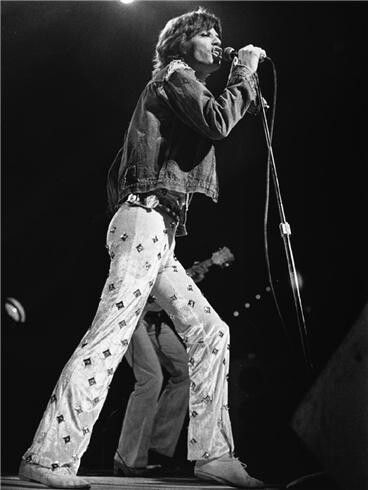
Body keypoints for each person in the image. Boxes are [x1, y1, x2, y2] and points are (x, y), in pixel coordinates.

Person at [19, 7, 267, 489]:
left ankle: (214, 452)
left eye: (219, 33)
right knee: (110, 335)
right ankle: (48, 457)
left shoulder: (181, 87)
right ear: (180, 43)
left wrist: (244, 86)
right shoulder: (174, 75)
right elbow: (217, 121)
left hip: (159, 229)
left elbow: (212, 118)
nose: (218, 39)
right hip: (144, 220)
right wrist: (245, 74)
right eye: (207, 33)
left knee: (211, 332)